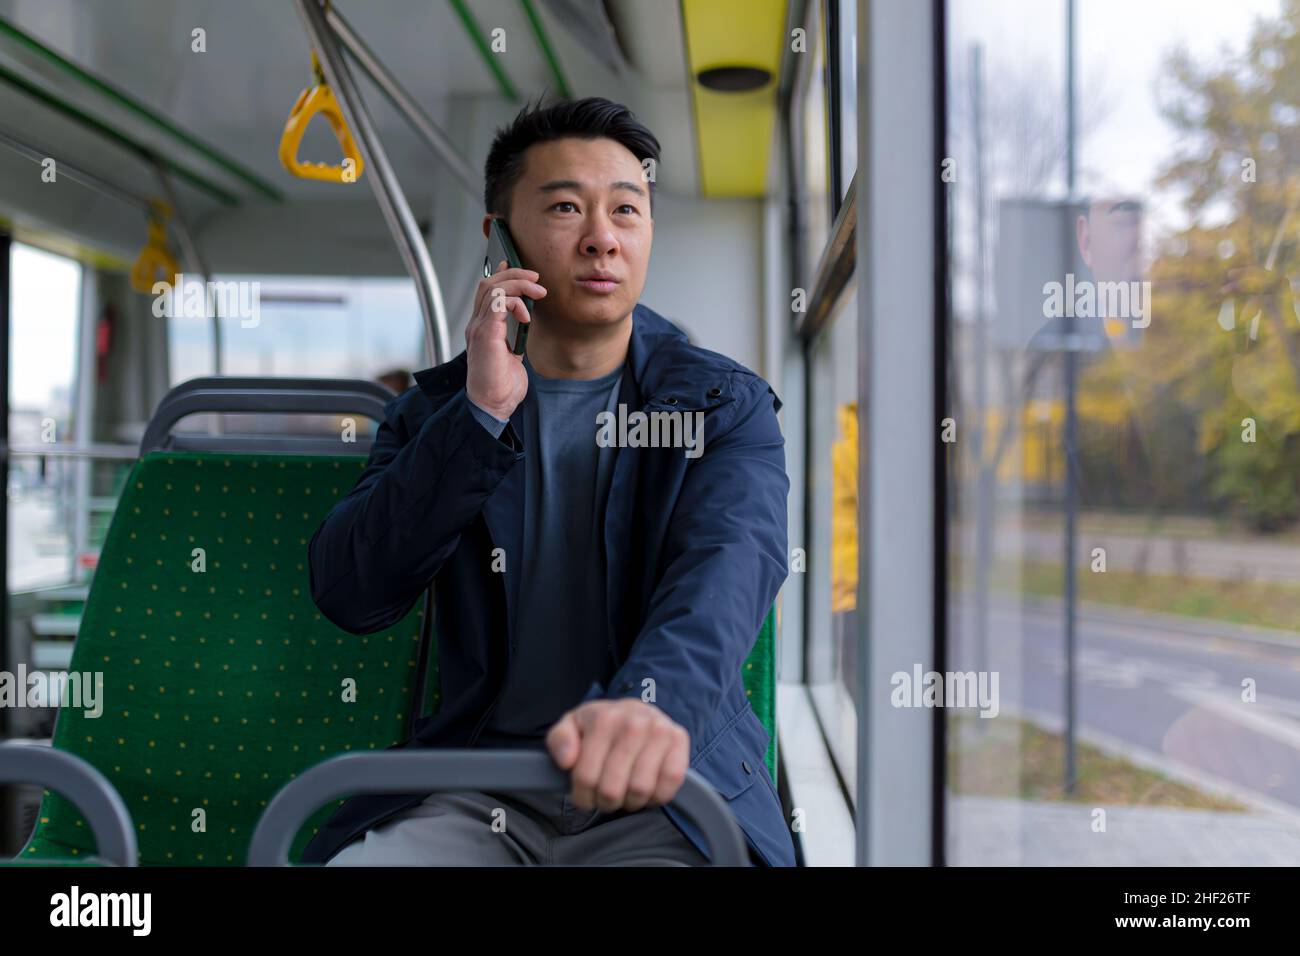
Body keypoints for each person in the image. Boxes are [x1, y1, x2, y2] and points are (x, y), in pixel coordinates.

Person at [300, 97, 794, 867]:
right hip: (476, 787)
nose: (602, 238)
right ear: (502, 238)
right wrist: (479, 416)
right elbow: (352, 590)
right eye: (566, 207)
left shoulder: (723, 407)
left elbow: (725, 581)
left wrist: (641, 712)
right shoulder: (434, 411)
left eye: (626, 211)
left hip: (665, 792)